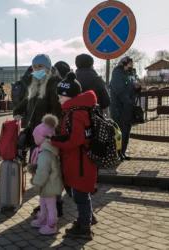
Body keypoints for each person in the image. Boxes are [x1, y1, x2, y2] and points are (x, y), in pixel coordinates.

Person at [13, 54, 64, 215]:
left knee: (50, 171)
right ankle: (45, 202)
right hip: (35, 135)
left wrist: (53, 133)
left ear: (48, 68)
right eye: (35, 67)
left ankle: (56, 204)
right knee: (39, 171)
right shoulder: (35, 83)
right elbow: (28, 101)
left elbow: (58, 111)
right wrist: (17, 111)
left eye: (40, 67)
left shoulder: (54, 84)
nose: (37, 70)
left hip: (48, 136)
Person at [50, 72, 97, 240]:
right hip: (79, 161)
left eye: (60, 97)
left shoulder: (76, 113)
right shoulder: (79, 109)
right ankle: (88, 218)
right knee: (78, 192)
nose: (59, 100)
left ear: (68, 96)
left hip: (79, 162)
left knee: (81, 195)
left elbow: (76, 140)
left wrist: (55, 142)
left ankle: (84, 227)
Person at [29, 114, 63, 235]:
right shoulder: (45, 149)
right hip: (47, 184)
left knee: (50, 204)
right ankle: (43, 218)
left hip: (49, 184)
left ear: (43, 137)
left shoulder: (45, 154)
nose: (34, 139)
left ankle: (51, 224)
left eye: (35, 137)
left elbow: (42, 172)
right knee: (43, 201)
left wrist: (37, 184)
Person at [109, 56, 141, 161]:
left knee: (127, 131)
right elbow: (120, 91)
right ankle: (117, 154)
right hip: (119, 108)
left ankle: (122, 152)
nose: (131, 66)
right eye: (129, 64)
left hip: (127, 107)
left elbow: (133, 89)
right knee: (120, 130)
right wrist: (128, 103)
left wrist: (138, 87)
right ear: (124, 64)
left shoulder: (130, 75)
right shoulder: (117, 74)